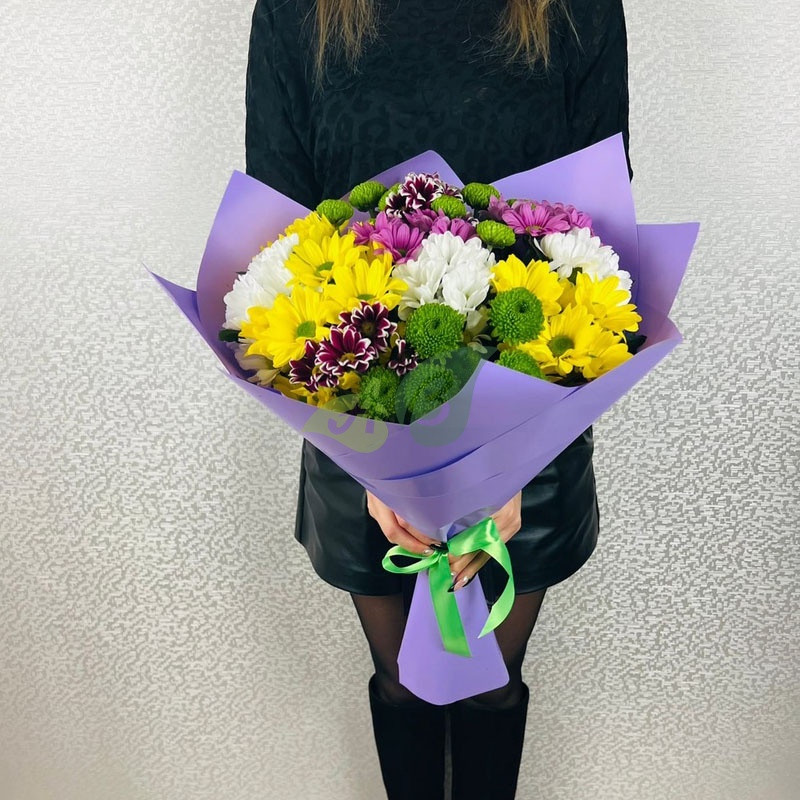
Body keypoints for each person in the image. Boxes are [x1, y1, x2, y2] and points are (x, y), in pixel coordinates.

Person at [244, 1, 631, 797]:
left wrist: (506, 458)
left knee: (491, 683)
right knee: (403, 685)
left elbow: (596, 236)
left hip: (533, 421)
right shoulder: (297, 12)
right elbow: (278, 247)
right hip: (355, 421)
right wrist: (383, 462)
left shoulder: (577, 9)